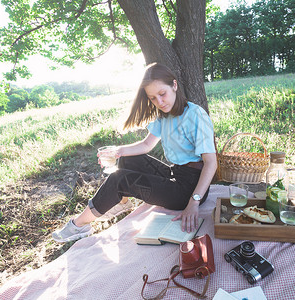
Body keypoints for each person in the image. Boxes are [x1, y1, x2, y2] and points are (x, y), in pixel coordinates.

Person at [52, 63, 217, 243]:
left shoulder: (195, 115)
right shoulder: (164, 115)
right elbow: (147, 144)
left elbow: (211, 163)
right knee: (129, 159)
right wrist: (118, 152)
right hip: (176, 174)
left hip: (190, 189)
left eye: (162, 94)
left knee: (120, 179)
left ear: (174, 85)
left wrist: (193, 202)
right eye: (153, 98)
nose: (159, 102)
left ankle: (79, 225)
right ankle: (122, 203)